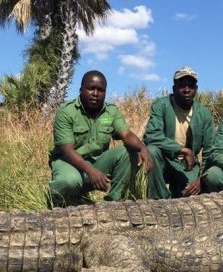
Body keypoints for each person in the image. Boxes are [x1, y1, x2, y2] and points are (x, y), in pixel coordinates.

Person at [49, 70, 153, 206]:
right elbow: (68, 151)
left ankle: (114, 204)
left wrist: (143, 148)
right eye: (90, 88)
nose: (95, 94)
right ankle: (56, 203)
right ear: (81, 89)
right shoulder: (66, 112)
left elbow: (126, 134)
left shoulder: (111, 111)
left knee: (128, 151)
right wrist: (91, 171)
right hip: (69, 163)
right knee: (68, 182)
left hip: (97, 162)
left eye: (100, 90)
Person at [143, 66, 215, 199]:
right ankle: (158, 200)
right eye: (182, 85)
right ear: (174, 88)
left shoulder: (204, 113)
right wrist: (182, 150)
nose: (187, 90)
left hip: (187, 166)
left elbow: (209, 151)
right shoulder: (161, 105)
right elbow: (151, 136)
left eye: (191, 86)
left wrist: (201, 178)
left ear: (196, 89)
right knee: (152, 151)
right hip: (164, 161)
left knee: (189, 196)